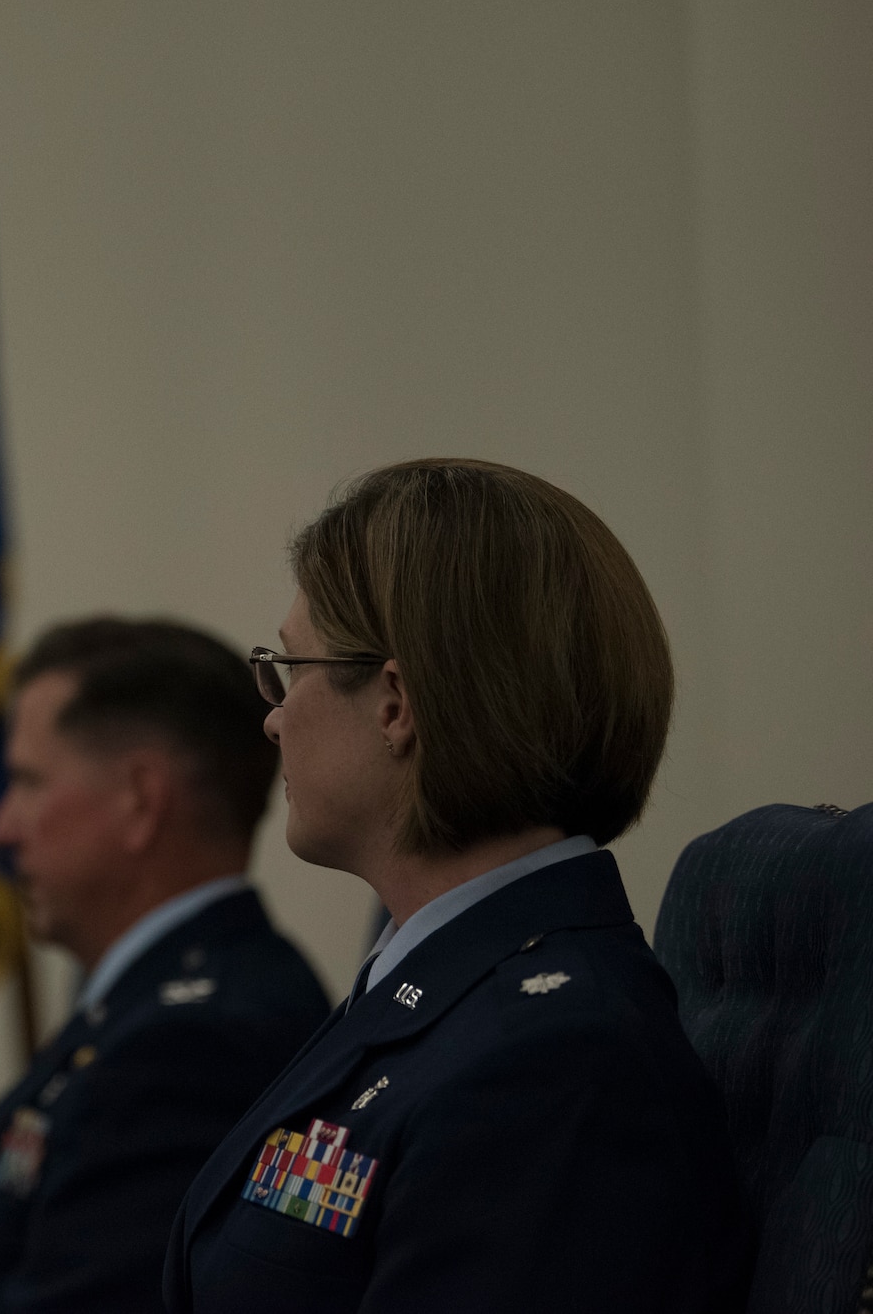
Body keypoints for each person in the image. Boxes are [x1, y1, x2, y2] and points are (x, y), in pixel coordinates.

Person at [165, 460, 749, 1313]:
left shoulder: (555, 1063)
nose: (273, 715)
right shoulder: (437, 986)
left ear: (396, 703)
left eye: (291, 668)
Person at [0, 618, 330, 1314]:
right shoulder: (147, 1004)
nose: (0, 829)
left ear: (140, 798)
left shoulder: (191, 1045)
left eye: (26, 781)